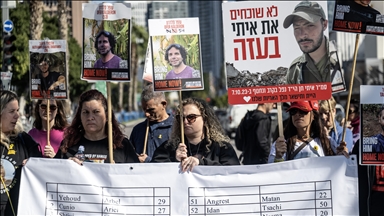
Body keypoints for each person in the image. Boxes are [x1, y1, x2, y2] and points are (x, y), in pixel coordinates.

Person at [151, 97, 240, 172]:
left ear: (205, 119)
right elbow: (152, 170)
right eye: (180, 118)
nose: (185, 122)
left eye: (191, 117)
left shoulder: (222, 147)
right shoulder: (169, 147)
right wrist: (173, 158)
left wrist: (201, 163)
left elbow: (233, 173)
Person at [55, 89, 139, 164]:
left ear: (107, 116)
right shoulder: (68, 144)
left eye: (96, 112)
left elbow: (135, 177)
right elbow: (53, 175)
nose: (90, 117)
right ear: (80, 116)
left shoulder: (122, 145)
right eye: (86, 112)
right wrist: (66, 167)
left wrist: (117, 171)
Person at [0, 90, 42, 216]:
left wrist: (33, 165)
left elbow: (42, 170)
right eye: (12, 111)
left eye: (17, 110)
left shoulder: (24, 140)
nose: (17, 116)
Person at [269, 100, 337, 162]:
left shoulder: (327, 142)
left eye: (303, 111)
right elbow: (272, 171)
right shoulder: (281, 144)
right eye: (294, 111)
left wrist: (342, 154)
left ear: (313, 115)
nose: (297, 114)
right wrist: (278, 157)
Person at [284, 1, 335, 84]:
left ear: (324, 25)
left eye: (310, 26)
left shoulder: (340, 60)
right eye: (297, 28)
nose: (302, 35)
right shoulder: (295, 72)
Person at [130, 84, 174, 163]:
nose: (146, 114)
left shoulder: (176, 128)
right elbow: (129, 156)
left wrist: (148, 161)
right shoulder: (138, 130)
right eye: (144, 110)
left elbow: (176, 161)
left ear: (163, 104)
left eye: (150, 110)